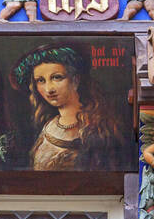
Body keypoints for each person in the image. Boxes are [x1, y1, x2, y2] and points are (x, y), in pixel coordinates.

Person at [14, 43, 127, 171]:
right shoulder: (49, 126)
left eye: (57, 77)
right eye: (41, 80)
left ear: (75, 79)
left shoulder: (98, 128)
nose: (49, 89)